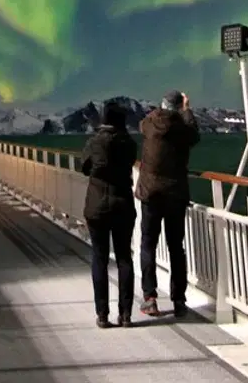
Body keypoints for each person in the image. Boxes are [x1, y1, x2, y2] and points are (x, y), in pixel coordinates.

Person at [136, 89, 201, 318]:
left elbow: (142, 124)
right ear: (179, 107)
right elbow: (195, 135)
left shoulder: (149, 124)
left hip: (150, 193)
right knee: (176, 248)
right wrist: (188, 110)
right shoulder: (183, 129)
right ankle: (179, 301)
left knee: (148, 245)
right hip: (175, 194)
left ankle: (150, 298)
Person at [80, 98, 138, 328]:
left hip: (97, 206)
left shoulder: (94, 142)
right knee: (124, 258)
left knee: (99, 258)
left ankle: (102, 314)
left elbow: (84, 168)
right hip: (123, 204)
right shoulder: (129, 143)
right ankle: (126, 315)